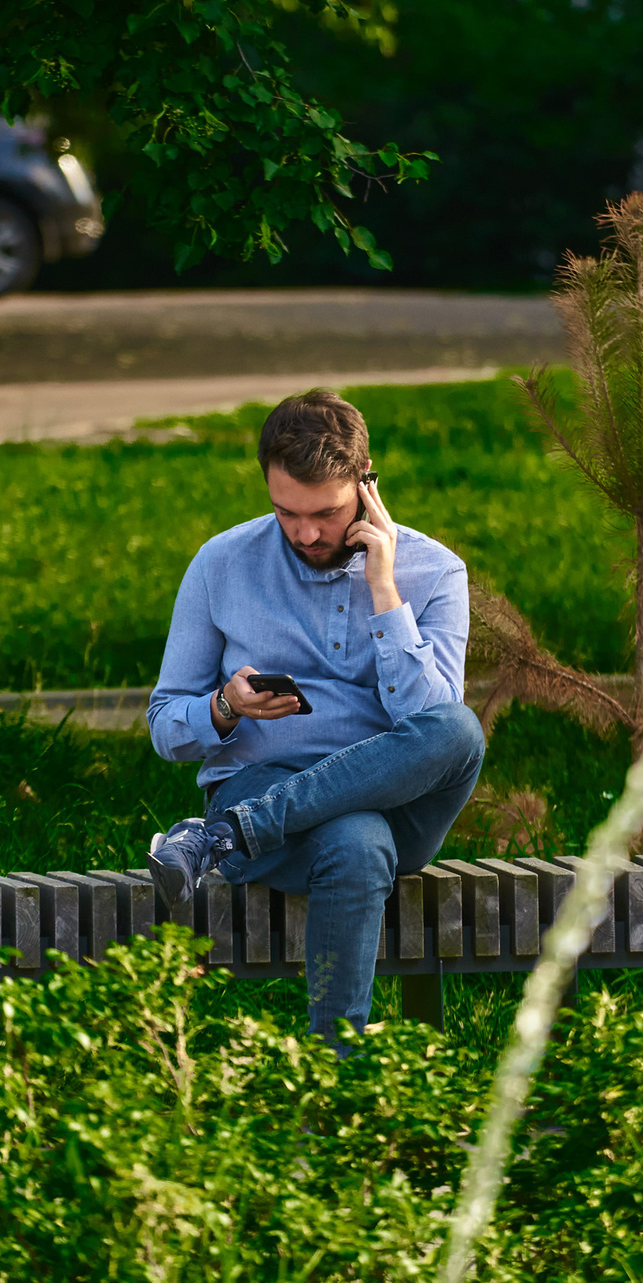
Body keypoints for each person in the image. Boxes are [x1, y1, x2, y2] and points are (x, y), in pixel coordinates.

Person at [144, 389, 484, 1039]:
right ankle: (337, 1070)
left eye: (325, 513)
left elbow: (429, 722)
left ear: (366, 485)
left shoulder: (435, 572)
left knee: (459, 728)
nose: (305, 534)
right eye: (286, 513)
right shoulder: (222, 563)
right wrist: (225, 707)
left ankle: (222, 837)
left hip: (398, 805)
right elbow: (164, 724)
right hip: (264, 783)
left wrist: (384, 590)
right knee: (358, 843)